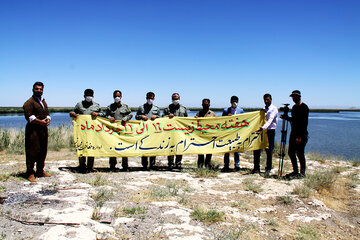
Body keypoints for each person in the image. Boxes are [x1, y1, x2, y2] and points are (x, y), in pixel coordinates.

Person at [23, 82, 51, 182]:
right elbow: (30, 118)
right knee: (32, 151)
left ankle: (40, 170)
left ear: (43, 90)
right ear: (33, 90)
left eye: (40, 89)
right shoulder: (29, 102)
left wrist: (48, 119)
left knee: (43, 150)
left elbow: (46, 113)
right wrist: (41, 122)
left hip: (43, 130)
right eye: (37, 89)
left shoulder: (42, 101)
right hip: (33, 131)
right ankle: (30, 173)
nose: (39, 91)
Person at [98, 90, 133, 171]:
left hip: (123, 130)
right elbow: (105, 115)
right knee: (112, 147)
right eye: (115, 96)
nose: (117, 97)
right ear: (113, 97)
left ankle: (125, 165)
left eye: (118, 96)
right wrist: (109, 117)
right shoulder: (110, 107)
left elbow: (130, 114)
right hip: (113, 131)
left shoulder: (125, 106)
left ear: (121, 97)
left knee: (124, 147)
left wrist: (125, 118)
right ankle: (112, 165)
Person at [69, 89, 101, 172]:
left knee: (91, 147)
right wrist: (72, 113)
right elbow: (73, 112)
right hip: (82, 130)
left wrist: (97, 114)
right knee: (81, 146)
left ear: (93, 96)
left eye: (90, 95)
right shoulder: (79, 104)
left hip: (92, 130)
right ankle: (82, 165)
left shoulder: (96, 105)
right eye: (87, 95)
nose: (88, 97)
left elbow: (103, 114)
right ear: (84, 96)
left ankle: (90, 166)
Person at [281, 90, 309, 178]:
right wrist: (286, 118)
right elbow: (294, 120)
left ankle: (302, 173)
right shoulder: (294, 107)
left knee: (300, 153)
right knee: (291, 152)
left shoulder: (304, 107)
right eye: (293, 97)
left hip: (301, 134)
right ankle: (295, 171)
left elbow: (304, 123)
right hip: (293, 133)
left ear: (299, 97)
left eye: (295, 97)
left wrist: (300, 136)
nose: (293, 98)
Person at [252, 93, 278, 176]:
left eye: (268, 99)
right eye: (265, 100)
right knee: (257, 149)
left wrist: (262, 128)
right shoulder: (262, 110)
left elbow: (270, 121)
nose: (266, 101)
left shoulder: (274, 109)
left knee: (269, 150)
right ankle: (256, 168)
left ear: (271, 99)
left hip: (270, 131)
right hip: (261, 131)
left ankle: (268, 168)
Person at [162, 93, 188, 170]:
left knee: (180, 147)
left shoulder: (183, 108)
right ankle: (170, 164)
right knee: (170, 147)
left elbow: (186, 119)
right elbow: (162, 117)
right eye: (174, 98)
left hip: (180, 132)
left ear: (179, 98)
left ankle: (178, 164)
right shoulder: (167, 108)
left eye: (176, 98)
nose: (175, 100)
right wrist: (168, 116)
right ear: (171, 99)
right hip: (169, 131)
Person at [135, 92, 160, 170]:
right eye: (148, 98)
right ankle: (144, 165)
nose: (150, 99)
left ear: (154, 98)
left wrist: (156, 116)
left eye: (151, 98)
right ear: (146, 98)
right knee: (144, 146)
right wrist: (141, 116)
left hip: (153, 131)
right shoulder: (141, 107)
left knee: (153, 147)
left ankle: (152, 164)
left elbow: (161, 117)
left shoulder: (156, 108)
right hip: (144, 131)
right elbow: (136, 116)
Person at [222, 96, 245, 171]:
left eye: (235, 101)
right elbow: (221, 121)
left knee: (236, 150)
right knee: (227, 149)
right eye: (233, 101)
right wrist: (226, 117)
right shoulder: (226, 110)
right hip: (228, 133)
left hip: (237, 133)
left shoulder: (241, 111)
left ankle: (237, 165)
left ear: (237, 102)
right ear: (230, 102)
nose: (234, 103)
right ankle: (226, 165)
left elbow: (244, 121)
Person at [195, 98, 216, 169]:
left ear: (209, 104)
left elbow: (218, 123)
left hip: (209, 136)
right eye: (204, 104)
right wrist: (195, 119)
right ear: (202, 105)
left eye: (207, 104)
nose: (205, 105)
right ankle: (200, 167)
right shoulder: (199, 113)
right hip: (200, 136)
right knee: (200, 152)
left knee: (209, 152)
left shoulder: (212, 114)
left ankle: (208, 165)